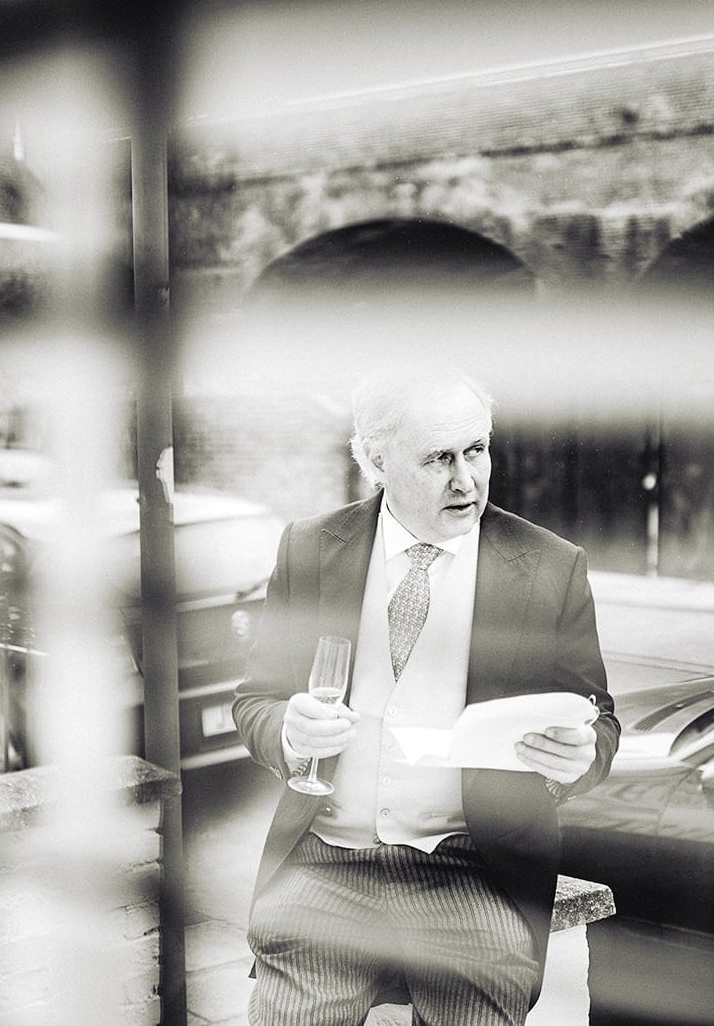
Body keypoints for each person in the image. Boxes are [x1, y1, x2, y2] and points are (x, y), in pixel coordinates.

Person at [232, 367, 620, 1025]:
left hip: (471, 870)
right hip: (329, 863)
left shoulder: (552, 566)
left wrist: (580, 756)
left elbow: (599, 719)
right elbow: (258, 700)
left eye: (477, 449)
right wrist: (287, 731)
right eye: (440, 457)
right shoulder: (310, 548)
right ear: (378, 459)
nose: (466, 478)